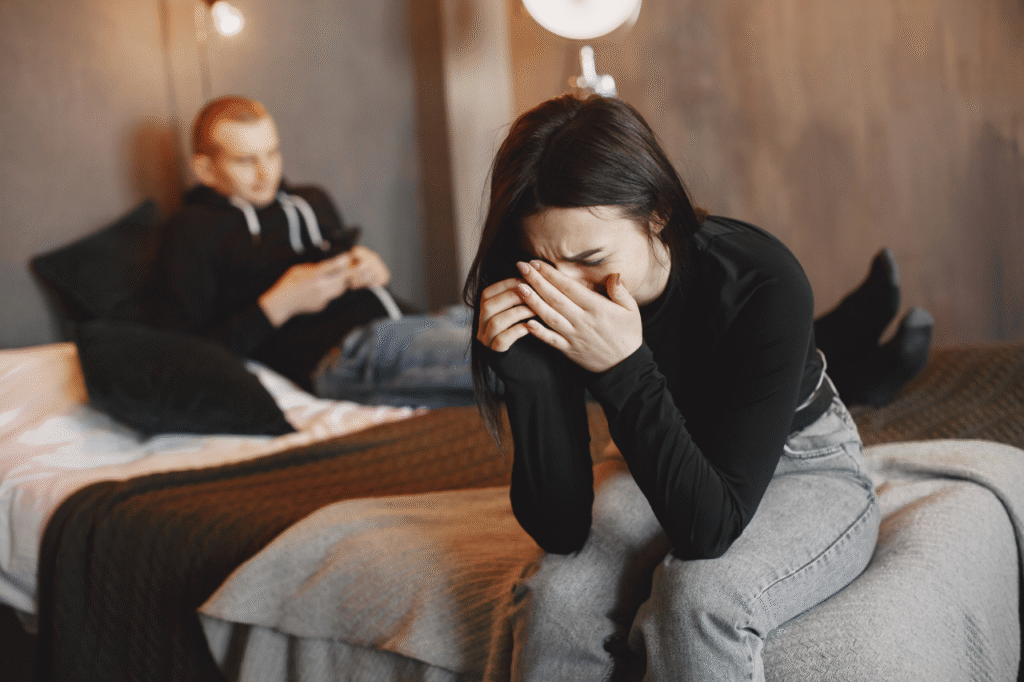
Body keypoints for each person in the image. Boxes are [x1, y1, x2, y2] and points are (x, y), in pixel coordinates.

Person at [466, 93, 882, 680]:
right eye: (545, 263)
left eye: (592, 258)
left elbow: (706, 531)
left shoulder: (761, 278)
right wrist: (526, 373)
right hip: (649, 454)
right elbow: (561, 530)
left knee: (696, 600)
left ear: (657, 214)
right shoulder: (545, 290)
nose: (570, 292)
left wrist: (621, 366)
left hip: (802, 458)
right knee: (557, 599)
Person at [149, 96, 475, 408]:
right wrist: (278, 304)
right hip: (345, 353)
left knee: (518, 326)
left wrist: (372, 271)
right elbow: (181, 357)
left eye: (272, 154)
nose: (265, 173)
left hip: (415, 321)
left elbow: (357, 280)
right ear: (205, 170)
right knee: (510, 358)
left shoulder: (312, 199)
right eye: (245, 161)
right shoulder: (190, 230)